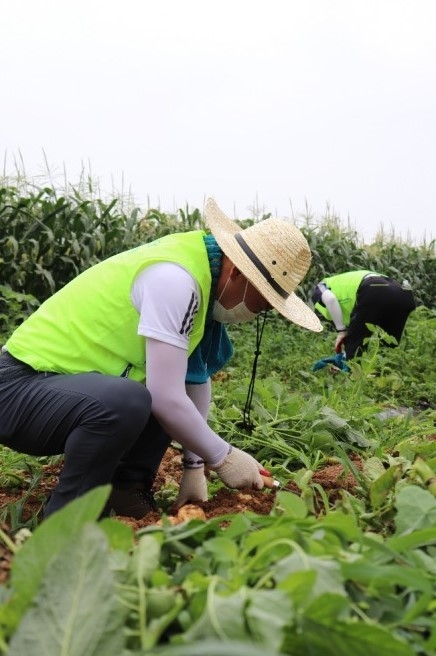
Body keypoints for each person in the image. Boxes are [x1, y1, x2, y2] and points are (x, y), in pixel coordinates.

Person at [0, 198, 322, 519]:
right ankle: (65, 521)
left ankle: (127, 490)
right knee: (130, 401)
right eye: (261, 303)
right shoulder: (176, 279)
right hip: (19, 388)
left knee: (147, 394)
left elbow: (192, 378)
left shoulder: (206, 278)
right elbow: (166, 397)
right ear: (237, 271)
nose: (255, 314)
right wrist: (223, 457)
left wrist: (195, 467)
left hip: (63, 393)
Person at [311, 270, 416, 359]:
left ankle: (353, 377)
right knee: (388, 349)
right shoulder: (346, 286)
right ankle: (383, 378)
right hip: (403, 294)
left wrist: (341, 331)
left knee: (355, 348)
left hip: (375, 289)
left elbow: (330, 299)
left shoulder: (320, 287)